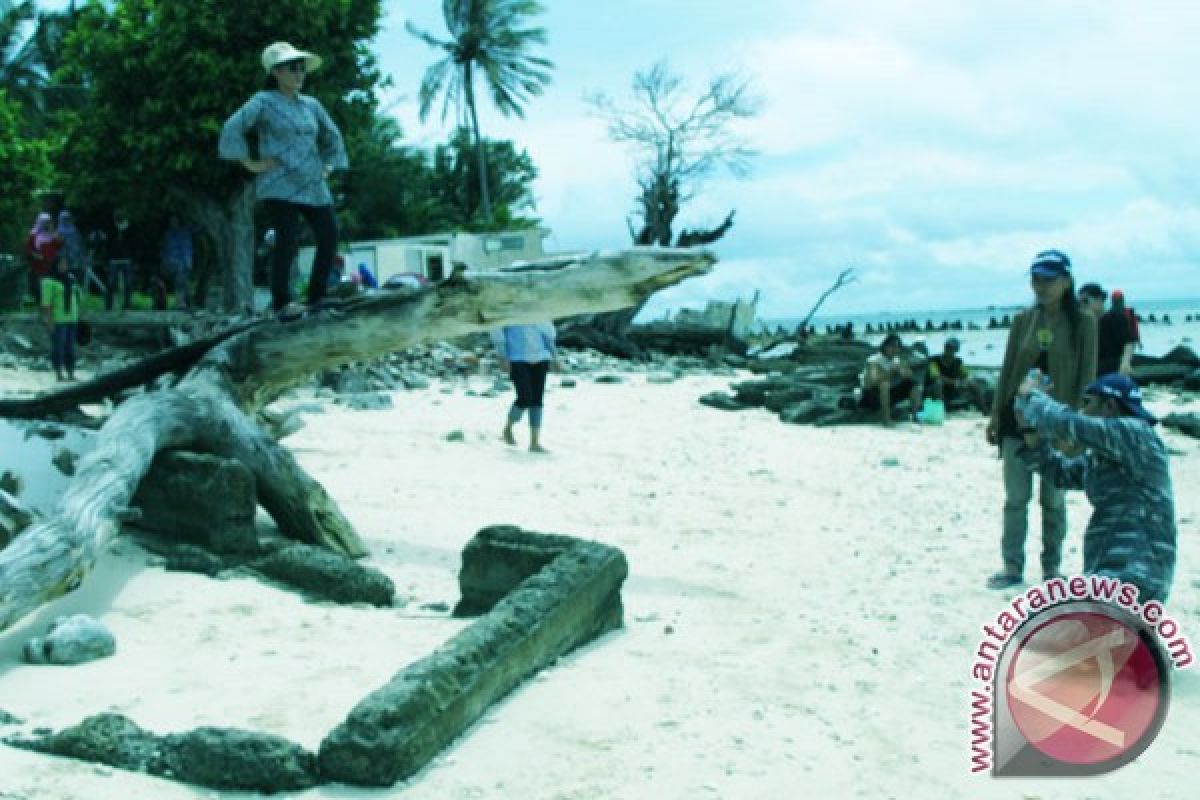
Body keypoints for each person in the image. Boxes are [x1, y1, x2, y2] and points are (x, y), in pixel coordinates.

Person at [986, 249, 1097, 589]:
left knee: (1053, 500)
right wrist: (994, 415)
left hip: (1058, 423)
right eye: (1036, 278)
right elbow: (1007, 372)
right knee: (1016, 498)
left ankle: (1052, 569)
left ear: (1065, 281)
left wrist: (1078, 426)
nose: (1041, 285)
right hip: (1016, 421)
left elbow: (1087, 377)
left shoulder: (1084, 322)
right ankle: (1012, 565)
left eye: (1049, 279)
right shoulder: (1023, 320)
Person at [1014, 371, 1176, 603]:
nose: (1082, 410)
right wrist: (1029, 432)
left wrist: (1032, 394)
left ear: (1109, 406)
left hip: (1135, 570)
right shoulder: (1106, 456)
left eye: (1088, 403)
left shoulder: (1135, 434)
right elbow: (1060, 472)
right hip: (1111, 571)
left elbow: (1067, 423)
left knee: (1048, 623)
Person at [219, 41, 348, 317]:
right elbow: (233, 127)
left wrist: (327, 167)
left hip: (313, 184)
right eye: (293, 68)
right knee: (287, 239)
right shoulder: (263, 102)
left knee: (329, 234)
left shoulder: (312, 105)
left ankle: (316, 296)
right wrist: (251, 164)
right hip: (278, 183)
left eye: (302, 69)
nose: (300, 74)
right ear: (276, 72)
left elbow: (333, 135)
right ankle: (282, 302)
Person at [492, 323, 557, 453]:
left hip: (541, 356)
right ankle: (508, 429)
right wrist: (502, 355)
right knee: (524, 398)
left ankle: (534, 443)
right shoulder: (509, 307)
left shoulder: (537, 307)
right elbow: (496, 329)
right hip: (517, 357)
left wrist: (554, 355)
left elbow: (548, 331)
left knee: (537, 400)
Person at [858, 333, 921, 425]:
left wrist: (905, 372)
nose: (894, 349)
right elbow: (872, 381)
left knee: (913, 384)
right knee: (884, 384)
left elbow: (908, 375)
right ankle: (886, 419)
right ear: (884, 346)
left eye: (896, 347)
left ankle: (916, 415)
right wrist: (890, 372)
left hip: (888, 393)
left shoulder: (896, 360)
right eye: (891, 346)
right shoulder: (874, 360)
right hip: (870, 395)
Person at [41, 255, 84, 381]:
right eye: (61, 264)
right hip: (58, 319)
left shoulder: (71, 278)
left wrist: (80, 315)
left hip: (72, 319)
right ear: (56, 265)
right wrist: (49, 321)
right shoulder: (49, 281)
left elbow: (78, 297)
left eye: (65, 264)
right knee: (58, 347)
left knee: (70, 348)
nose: (64, 266)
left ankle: (71, 373)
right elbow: (46, 303)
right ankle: (59, 373)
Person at [926, 337, 987, 412]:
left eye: (951, 348)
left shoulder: (958, 362)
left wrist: (965, 382)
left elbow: (966, 375)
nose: (949, 350)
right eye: (947, 347)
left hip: (951, 389)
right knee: (938, 383)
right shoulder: (934, 360)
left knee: (973, 384)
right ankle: (941, 410)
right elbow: (936, 376)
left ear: (956, 350)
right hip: (933, 389)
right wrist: (955, 382)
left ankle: (984, 409)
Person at [1097, 289, 1138, 377]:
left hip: (1115, 360)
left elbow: (1131, 334)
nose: (1118, 302)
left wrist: (1125, 361)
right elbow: (1133, 332)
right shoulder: (1123, 313)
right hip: (1117, 358)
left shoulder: (1112, 315)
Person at [25, 212, 61, 306]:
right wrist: (35, 255)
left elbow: (59, 245)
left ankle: (51, 303)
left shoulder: (52, 234)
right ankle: (41, 303)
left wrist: (53, 232)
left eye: (48, 222)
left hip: (51, 264)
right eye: (44, 222)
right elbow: (28, 248)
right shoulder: (34, 234)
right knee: (40, 285)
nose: (46, 224)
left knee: (51, 283)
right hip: (39, 265)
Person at [161, 214, 194, 310]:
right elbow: (165, 249)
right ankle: (181, 303)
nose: (173, 223)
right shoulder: (169, 234)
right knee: (179, 283)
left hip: (182, 263)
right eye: (172, 221)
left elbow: (186, 249)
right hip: (173, 262)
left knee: (181, 283)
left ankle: (181, 303)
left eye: (175, 221)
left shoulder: (184, 233)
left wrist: (188, 261)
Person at [105, 209, 135, 311]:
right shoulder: (111, 229)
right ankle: (109, 305)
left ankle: (127, 304)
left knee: (128, 283)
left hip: (126, 259)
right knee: (111, 283)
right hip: (114, 259)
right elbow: (108, 244)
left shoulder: (129, 229)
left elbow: (133, 244)